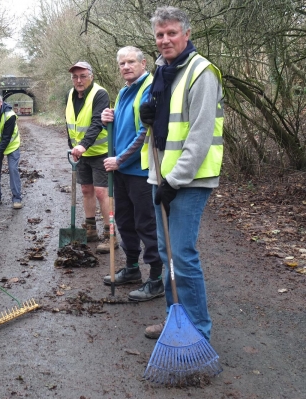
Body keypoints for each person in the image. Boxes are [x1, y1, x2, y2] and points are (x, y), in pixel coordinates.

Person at [139, 6, 224, 341]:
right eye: (160, 35)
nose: (165, 40)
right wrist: (148, 116)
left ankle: (198, 329)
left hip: (189, 180)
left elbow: (201, 135)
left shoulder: (202, 73)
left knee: (182, 255)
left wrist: (174, 181)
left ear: (187, 35)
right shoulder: (162, 71)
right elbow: (164, 128)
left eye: (171, 33)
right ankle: (175, 317)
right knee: (166, 252)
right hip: (162, 177)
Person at [101, 46, 164, 302]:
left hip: (141, 170)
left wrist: (120, 159)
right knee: (125, 222)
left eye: (130, 62)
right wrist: (110, 119)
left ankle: (156, 280)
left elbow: (144, 132)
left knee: (146, 225)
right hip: (121, 170)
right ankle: (132, 269)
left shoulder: (149, 88)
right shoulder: (124, 91)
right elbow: (122, 129)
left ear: (143, 63)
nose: (126, 67)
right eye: (122, 63)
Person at [65, 61, 118, 253]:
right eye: (75, 77)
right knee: (86, 190)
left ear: (91, 76)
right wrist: (73, 147)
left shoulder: (100, 94)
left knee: (102, 192)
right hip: (81, 153)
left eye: (82, 76)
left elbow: (97, 122)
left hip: (100, 152)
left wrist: (83, 145)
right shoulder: (70, 94)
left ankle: (110, 234)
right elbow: (70, 121)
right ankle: (90, 229)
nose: (78, 81)